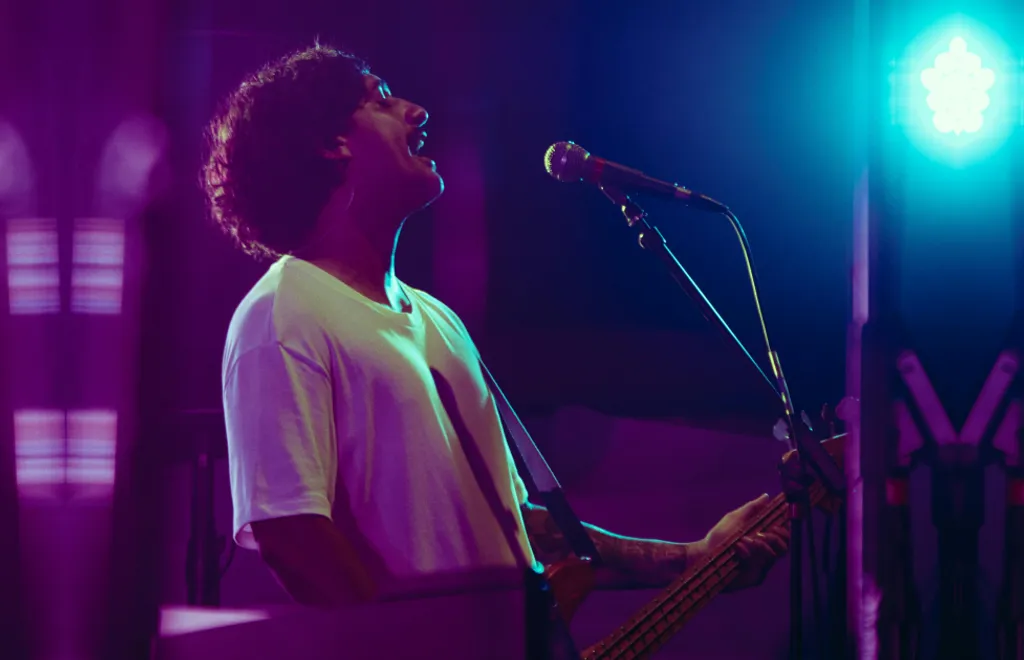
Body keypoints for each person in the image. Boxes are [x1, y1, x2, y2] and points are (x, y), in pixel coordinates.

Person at [203, 42, 789, 609]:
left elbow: (520, 528)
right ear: (331, 142)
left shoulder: (440, 321)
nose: (417, 110)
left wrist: (690, 560)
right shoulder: (284, 311)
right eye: (380, 100)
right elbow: (293, 537)